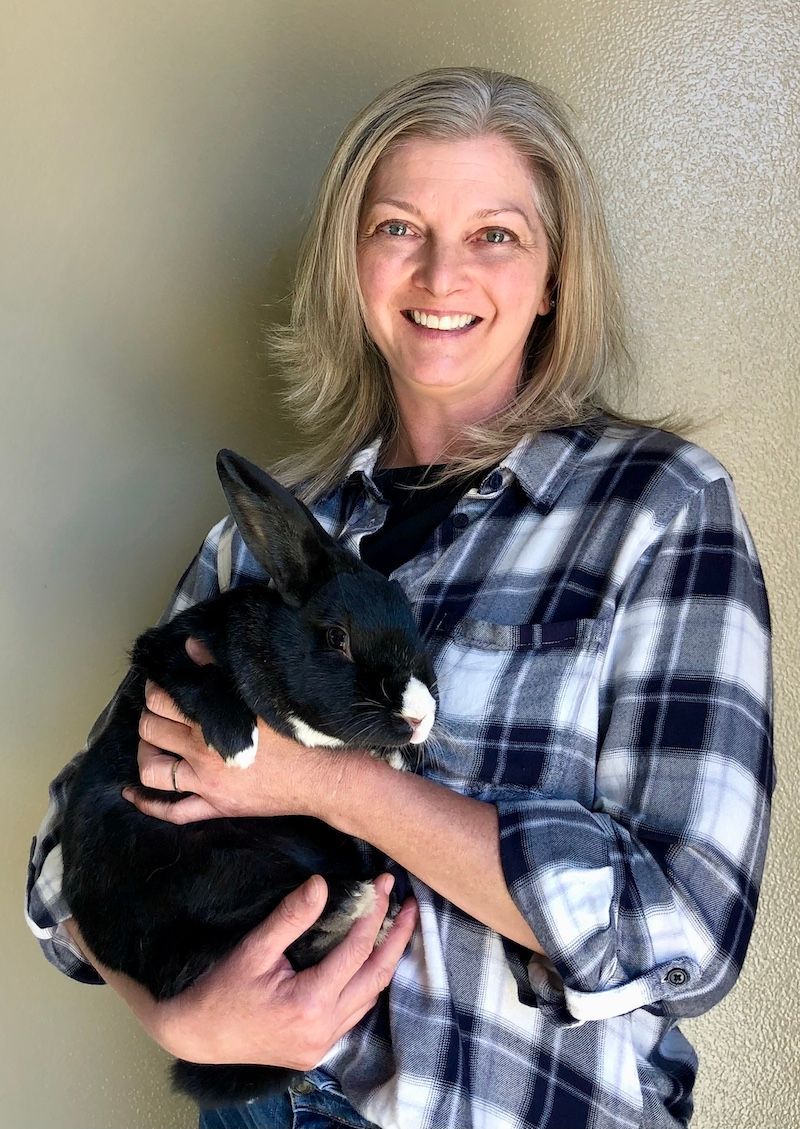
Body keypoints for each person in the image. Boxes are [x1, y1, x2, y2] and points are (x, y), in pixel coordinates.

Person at [26, 66, 774, 1129]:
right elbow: (66, 864)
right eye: (397, 227)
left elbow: (686, 931)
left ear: (555, 273)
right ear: (353, 262)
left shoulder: (657, 509)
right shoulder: (264, 539)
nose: (439, 273)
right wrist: (185, 1024)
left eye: (495, 234)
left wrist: (335, 784)